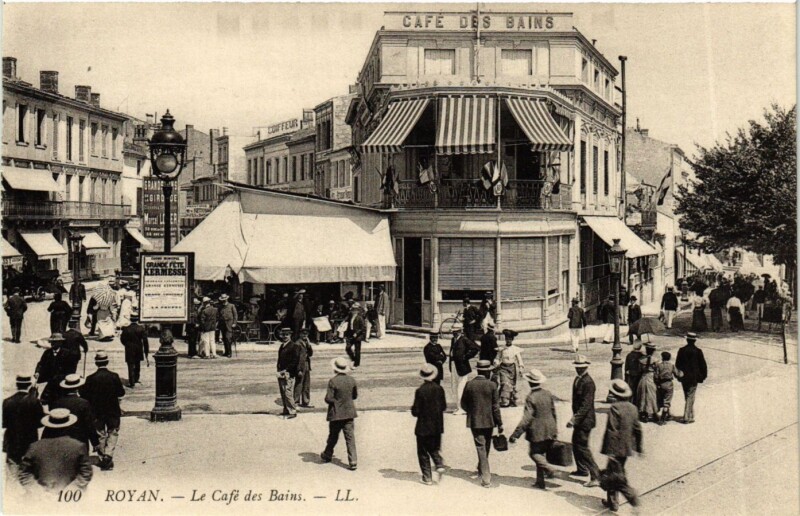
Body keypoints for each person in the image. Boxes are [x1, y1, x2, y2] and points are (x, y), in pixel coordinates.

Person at [18, 409, 93, 492]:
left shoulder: (35, 446)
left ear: (48, 426)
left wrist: (37, 491)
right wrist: (71, 490)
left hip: (42, 497)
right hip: (70, 497)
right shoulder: (78, 446)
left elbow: (24, 473)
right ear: (69, 426)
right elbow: (86, 473)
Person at [509, 369, 558, 491]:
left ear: (530, 383)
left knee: (535, 453)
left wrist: (515, 434)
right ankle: (540, 482)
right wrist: (554, 429)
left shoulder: (531, 397)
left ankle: (549, 469)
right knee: (542, 454)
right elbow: (553, 412)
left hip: (537, 431)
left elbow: (526, 419)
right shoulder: (547, 393)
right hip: (550, 428)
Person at [600, 379, 643, 512]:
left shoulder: (615, 408)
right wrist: (639, 448)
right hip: (627, 448)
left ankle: (632, 499)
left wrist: (610, 451)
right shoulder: (633, 408)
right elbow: (638, 429)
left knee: (616, 477)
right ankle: (612, 501)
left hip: (615, 448)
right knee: (614, 473)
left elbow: (612, 430)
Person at [460, 359, 503, 488]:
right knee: (486, 445)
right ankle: (484, 472)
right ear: (487, 372)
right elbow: (496, 407)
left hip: (475, 421)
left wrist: (472, 412)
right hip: (489, 421)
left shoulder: (469, 385)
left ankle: (485, 475)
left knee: (480, 446)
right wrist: (499, 423)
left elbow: (463, 404)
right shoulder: (492, 385)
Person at [80, 352, 125, 470]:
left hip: (96, 411)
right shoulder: (114, 376)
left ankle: (102, 456)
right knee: (113, 432)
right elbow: (121, 393)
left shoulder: (90, 378)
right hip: (113, 410)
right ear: (107, 362)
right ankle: (108, 455)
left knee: (100, 433)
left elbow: (83, 394)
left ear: (96, 363)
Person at [411, 363, 447, 485]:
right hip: (437, 424)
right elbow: (443, 406)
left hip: (423, 425)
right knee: (434, 447)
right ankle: (438, 462)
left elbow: (415, 411)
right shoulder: (439, 389)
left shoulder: (420, 391)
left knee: (422, 451)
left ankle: (427, 477)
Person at [568, 355, 600, 487]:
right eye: (577, 367)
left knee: (582, 447)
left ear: (586, 367)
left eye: (580, 367)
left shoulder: (588, 382)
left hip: (585, 420)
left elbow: (586, 405)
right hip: (580, 420)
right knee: (576, 444)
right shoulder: (578, 379)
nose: (578, 369)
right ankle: (582, 469)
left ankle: (596, 475)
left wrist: (574, 419)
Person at [48, 374, 101, 455]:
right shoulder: (84, 403)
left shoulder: (56, 403)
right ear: (78, 388)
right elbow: (89, 425)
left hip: (60, 442)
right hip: (79, 441)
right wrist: (95, 442)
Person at [321, 357, 358, 470]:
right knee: (350, 437)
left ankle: (327, 454)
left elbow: (328, 398)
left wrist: (336, 401)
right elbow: (354, 396)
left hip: (336, 413)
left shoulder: (333, 381)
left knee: (333, 435)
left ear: (335, 369)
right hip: (349, 412)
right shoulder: (352, 380)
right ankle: (353, 460)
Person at [3, 375, 44, 472]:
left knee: (12, 476)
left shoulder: (6, 401)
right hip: (29, 442)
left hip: (12, 443)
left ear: (17, 385)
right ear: (29, 385)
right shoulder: (35, 401)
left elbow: (3, 423)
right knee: (28, 474)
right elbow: (41, 423)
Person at [34, 333, 78, 407]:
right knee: (47, 401)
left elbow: (71, 370)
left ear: (60, 343)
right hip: (50, 383)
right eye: (51, 342)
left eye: (55, 342)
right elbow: (41, 363)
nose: (52, 344)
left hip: (62, 383)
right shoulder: (47, 353)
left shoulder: (67, 353)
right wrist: (37, 372)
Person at [675, 332, 708, 424]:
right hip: (694, 378)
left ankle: (691, 414)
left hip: (684, 377)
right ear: (695, 341)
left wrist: (678, 375)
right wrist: (703, 376)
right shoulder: (698, 351)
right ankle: (687, 416)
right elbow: (703, 365)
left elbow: (677, 364)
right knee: (690, 396)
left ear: (687, 340)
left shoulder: (681, 350)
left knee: (687, 395)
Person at [448, 327, 480, 415]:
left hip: (462, 367)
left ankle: (461, 407)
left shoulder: (464, 339)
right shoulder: (453, 340)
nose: (455, 333)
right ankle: (458, 406)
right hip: (454, 365)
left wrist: (466, 357)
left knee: (460, 387)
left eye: (456, 332)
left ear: (460, 331)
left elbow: (475, 348)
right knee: (454, 386)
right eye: (453, 332)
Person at [495, 329, 524, 408]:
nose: (508, 341)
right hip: (503, 368)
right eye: (507, 339)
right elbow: (498, 357)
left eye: (510, 339)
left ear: (512, 340)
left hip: (512, 369)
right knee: (504, 383)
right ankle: (504, 401)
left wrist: (521, 367)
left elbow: (519, 359)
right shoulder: (502, 349)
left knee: (511, 385)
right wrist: (496, 362)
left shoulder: (515, 349)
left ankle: (511, 400)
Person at [120, 313, 149, 388]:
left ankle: (131, 382)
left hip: (129, 349)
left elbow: (122, 339)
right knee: (137, 364)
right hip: (138, 349)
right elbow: (145, 341)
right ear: (137, 320)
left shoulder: (126, 329)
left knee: (130, 365)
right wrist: (146, 352)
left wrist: (127, 345)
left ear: (130, 319)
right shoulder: (141, 329)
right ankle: (136, 378)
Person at [277, 328, 301, 419]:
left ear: (290, 335)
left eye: (287, 335)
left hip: (289, 373)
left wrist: (287, 370)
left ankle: (292, 411)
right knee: (283, 392)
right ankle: (286, 409)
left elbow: (295, 361)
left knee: (287, 392)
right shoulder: (282, 346)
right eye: (283, 335)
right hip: (281, 372)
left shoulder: (294, 346)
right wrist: (279, 369)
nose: (285, 336)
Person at [655, 351, 682, 425]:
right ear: (669, 358)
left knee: (663, 398)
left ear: (662, 357)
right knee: (667, 401)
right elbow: (677, 374)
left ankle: (668, 414)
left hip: (661, 384)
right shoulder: (671, 365)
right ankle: (662, 419)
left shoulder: (659, 365)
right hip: (669, 384)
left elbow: (656, 376)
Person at [636, 343, 660, 422]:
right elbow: (657, 371)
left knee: (642, 395)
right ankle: (653, 413)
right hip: (651, 378)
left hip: (643, 378)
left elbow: (639, 370)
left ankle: (644, 413)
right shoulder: (655, 360)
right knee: (652, 396)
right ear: (653, 351)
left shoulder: (641, 360)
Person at [294, 327, 314, 408]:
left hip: (306, 364)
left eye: (306, 334)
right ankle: (296, 402)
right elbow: (296, 358)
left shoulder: (306, 343)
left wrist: (309, 345)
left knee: (306, 384)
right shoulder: (298, 343)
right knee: (299, 384)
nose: (305, 335)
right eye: (303, 334)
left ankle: (305, 402)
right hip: (300, 365)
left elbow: (311, 354)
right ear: (300, 334)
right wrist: (298, 369)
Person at [345, 303, 366, 368]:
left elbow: (362, 328)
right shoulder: (350, 316)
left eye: (355, 309)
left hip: (358, 335)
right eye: (353, 309)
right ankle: (353, 359)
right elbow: (347, 324)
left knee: (357, 350)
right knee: (348, 348)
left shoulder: (360, 317)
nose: (354, 311)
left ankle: (356, 363)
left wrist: (356, 333)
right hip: (351, 334)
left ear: (358, 310)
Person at [624, 342, 644, 407]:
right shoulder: (642, 356)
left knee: (631, 390)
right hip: (639, 375)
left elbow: (626, 367)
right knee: (638, 392)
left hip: (631, 375)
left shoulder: (629, 355)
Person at [218, 294, 237, 358]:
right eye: (222, 300)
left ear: (227, 299)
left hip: (229, 324)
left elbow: (235, 315)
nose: (223, 301)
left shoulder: (231, 306)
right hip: (222, 324)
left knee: (228, 338)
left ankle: (229, 352)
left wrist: (234, 323)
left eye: (224, 299)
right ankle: (226, 352)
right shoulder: (220, 307)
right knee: (224, 338)